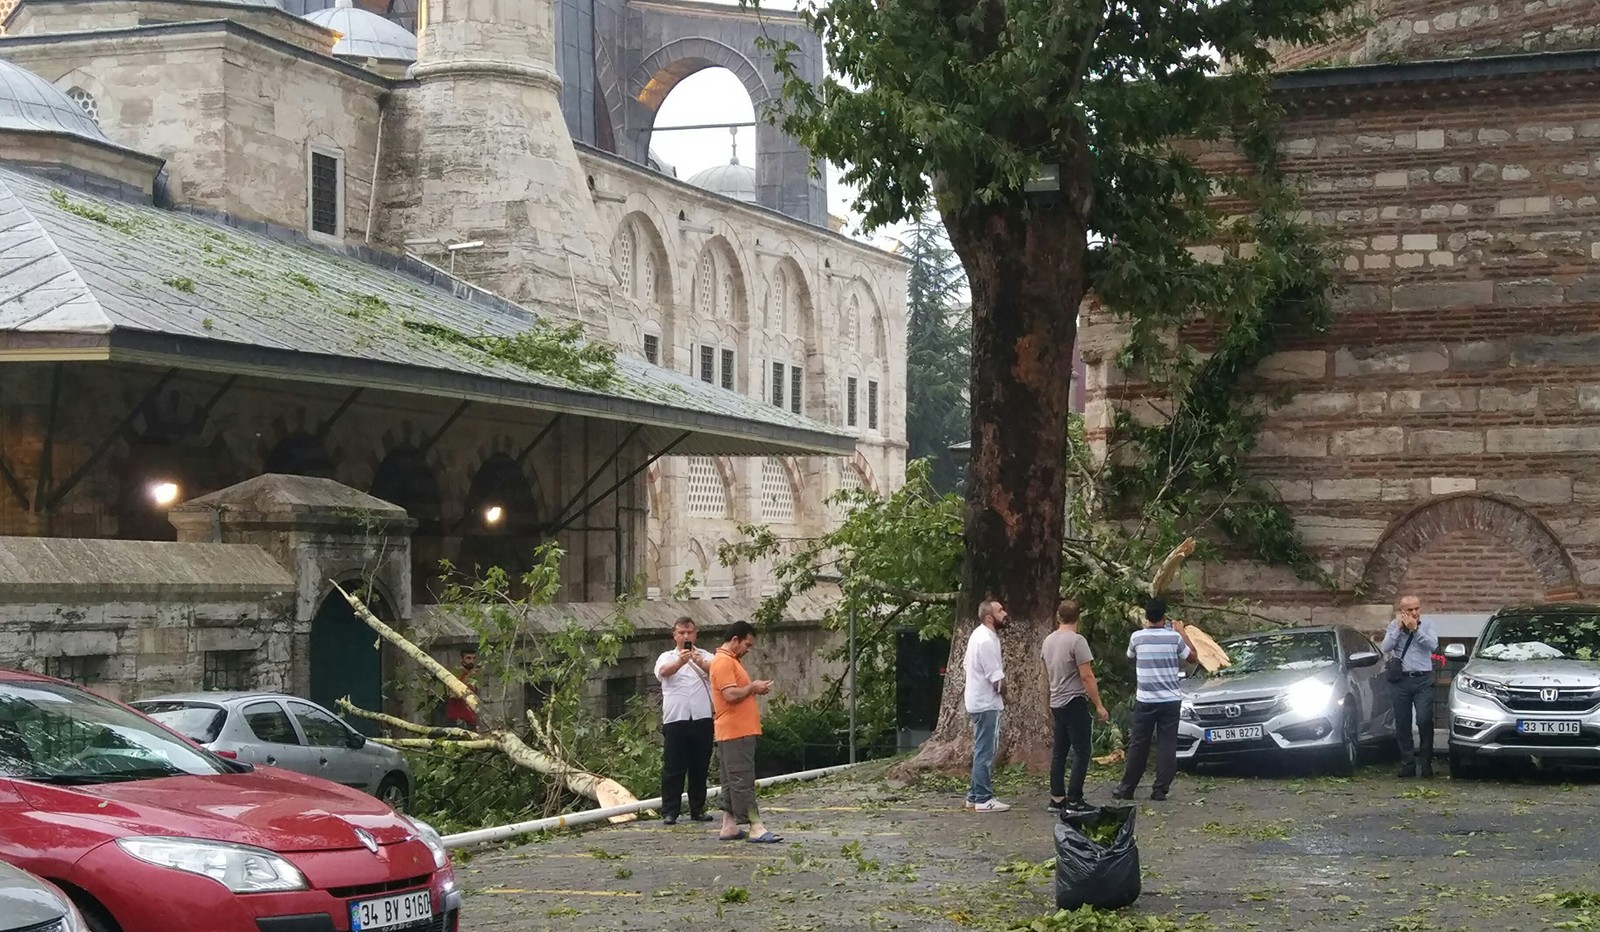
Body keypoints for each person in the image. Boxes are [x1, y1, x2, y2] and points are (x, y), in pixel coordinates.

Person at [1112, 598, 1195, 802]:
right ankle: (1160, 790)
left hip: (1146, 699)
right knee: (1167, 744)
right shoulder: (1174, 638)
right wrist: (1181, 632)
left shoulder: (1137, 638)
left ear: (1146, 617)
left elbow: (1130, 655)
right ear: (1164, 616)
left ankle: (1127, 788)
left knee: (1139, 743)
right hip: (1170, 700)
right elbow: (1193, 657)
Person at [709, 621, 780, 843]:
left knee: (732, 780)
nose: (748, 649)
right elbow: (730, 695)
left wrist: (753, 689)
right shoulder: (723, 662)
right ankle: (755, 826)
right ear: (735, 640)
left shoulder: (729, 661)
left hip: (734, 730)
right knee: (742, 779)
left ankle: (728, 825)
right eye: (747, 644)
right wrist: (753, 687)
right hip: (735, 730)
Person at [1042, 599, 1109, 814]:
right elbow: (1086, 675)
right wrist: (1098, 704)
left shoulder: (1048, 641)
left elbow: (1046, 672)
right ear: (1078, 617)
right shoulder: (1077, 641)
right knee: (1082, 751)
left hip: (1056, 700)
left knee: (1059, 751)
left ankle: (1057, 797)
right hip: (1074, 700)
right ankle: (1074, 798)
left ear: (1058, 617)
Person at [654, 617, 715, 825]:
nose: (685, 637)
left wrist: (699, 662)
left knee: (700, 766)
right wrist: (681, 661)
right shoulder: (666, 657)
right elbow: (663, 673)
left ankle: (697, 809)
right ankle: (670, 811)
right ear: (674, 635)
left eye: (689, 633)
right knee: (673, 767)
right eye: (681, 633)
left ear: (696, 634)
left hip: (702, 718)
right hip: (676, 719)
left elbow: (717, 673)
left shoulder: (706, 656)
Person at [1383, 595, 1439, 778]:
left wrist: (1416, 631)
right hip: (1401, 681)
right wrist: (1399, 629)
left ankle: (1426, 762)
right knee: (1403, 722)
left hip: (1423, 679)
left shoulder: (1427, 624)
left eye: (1417, 608)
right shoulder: (1394, 626)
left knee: (1424, 719)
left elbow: (1433, 646)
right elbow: (1386, 647)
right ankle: (1407, 764)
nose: (1414, 613)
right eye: (1410, 610)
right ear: (1402, 611)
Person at [963, 599, 1010, 812]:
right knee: (985, 750)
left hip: (978, 700)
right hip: (985, 702)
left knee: (981, 748)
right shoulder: (986, 641)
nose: (1005, 613)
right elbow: (996, 678)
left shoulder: (978, 635)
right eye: (1000, 610)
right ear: (989, 617)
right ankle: (983, 798)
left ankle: (974, 795)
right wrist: (1007, 696)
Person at [443, 649, 480, 730]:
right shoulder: (455, 674)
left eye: (474, 658)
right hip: (457, 720)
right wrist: (468, 678)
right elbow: (453, 694)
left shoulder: (475, 676)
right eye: (468, 658)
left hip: (471, 720)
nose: (471, 661)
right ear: (461, 659)